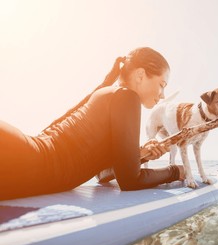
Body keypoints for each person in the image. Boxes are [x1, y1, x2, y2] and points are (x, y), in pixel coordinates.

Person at [0, 47, 185, 200]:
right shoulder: (127, 97)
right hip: (24, 161)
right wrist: (175, 171)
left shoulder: (110, 95)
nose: (162, 95)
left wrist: (139, 155)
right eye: (162, 84)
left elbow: (102, 175)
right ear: (140, 75)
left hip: (23, 158)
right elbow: (131, 181)